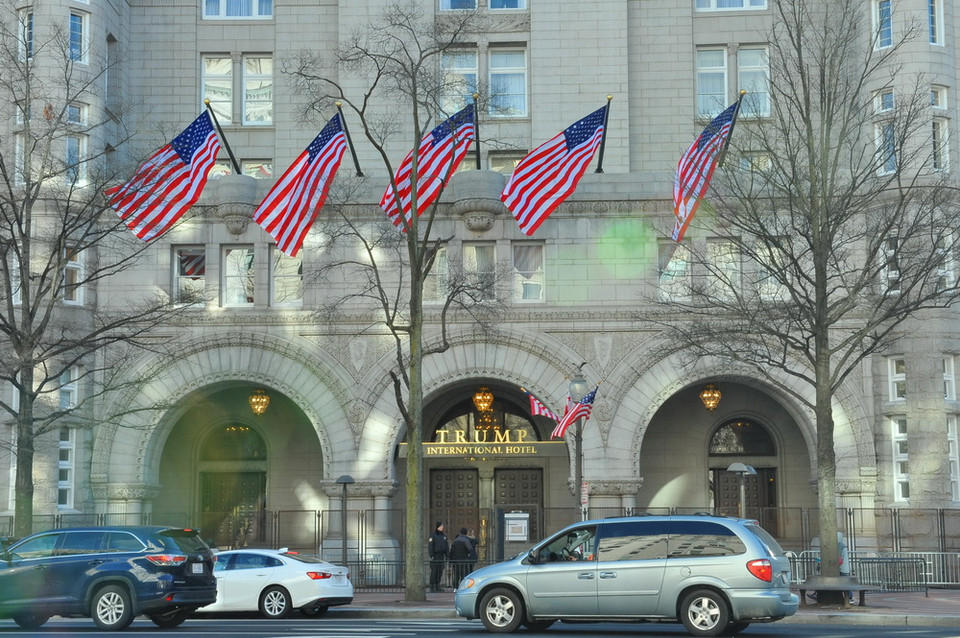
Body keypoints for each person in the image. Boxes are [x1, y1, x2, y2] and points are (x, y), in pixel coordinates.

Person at [427, 521, 449, 592]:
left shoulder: (443, 536)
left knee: (440, 571)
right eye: (441, 526)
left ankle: (437, 585)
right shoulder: (433, 535)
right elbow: (430, 546)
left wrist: (447, 555)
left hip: (441, 556)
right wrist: (431, 555)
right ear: (438, 527)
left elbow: (446, 546)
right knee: (434, 571)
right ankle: (432, 585)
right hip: (435, 556)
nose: (442, 527)